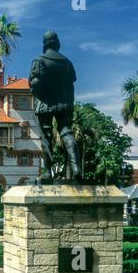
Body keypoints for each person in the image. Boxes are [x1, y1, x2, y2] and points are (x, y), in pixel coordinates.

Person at [29, 30, 81, 183]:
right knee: (67, 132)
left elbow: (35, 84)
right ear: (58, 44)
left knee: (46, 136)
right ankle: (76, 168)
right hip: (64, 103)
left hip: (45, 104)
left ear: (44, 44)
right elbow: (71, 85)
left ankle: (47, 172)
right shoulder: (67, 62)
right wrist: (70, 103)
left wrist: (36, 88)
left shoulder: (39, 61)